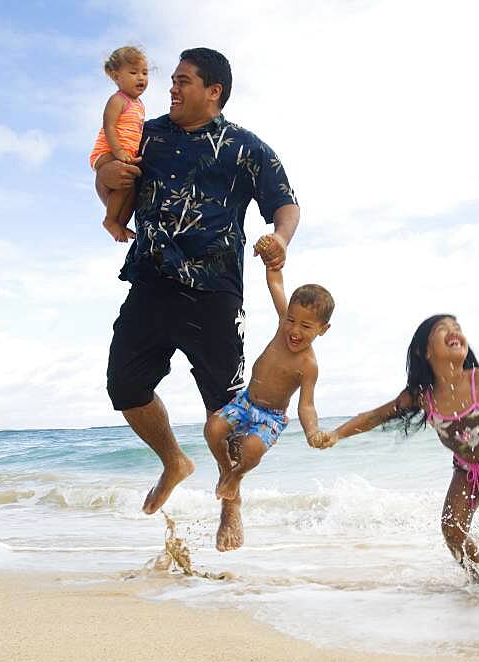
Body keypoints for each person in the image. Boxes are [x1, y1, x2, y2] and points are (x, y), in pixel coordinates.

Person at [99, 48, 301, 547]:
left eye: (183, 80)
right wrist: (105, 179)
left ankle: (230, 502)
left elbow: (286, 205)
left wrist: (280, 239)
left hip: (214, 293)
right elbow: (110, 181)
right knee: (124, 387)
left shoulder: (245, 147)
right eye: (171, 79)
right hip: (149, 279)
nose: (171, 87)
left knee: (226, 409)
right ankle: (174, 460)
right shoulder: (149, 134)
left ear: (213, 91)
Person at [311, 315, 479, 592]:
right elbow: (375, 416)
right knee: (452, 529)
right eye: (443, 329)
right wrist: (337, 434)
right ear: (424, 351)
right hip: (465, 468)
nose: (454, 332)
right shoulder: (422, 395)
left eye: (457, 328)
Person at [205, 250, 333, 550]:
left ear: (322, 330)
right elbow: (275, 282)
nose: (295, 330)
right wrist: (270, 256)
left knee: (250, 449)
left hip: (271, 417)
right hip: (245, 401)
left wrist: (312, 432)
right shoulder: (282, 326)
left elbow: (307, 405)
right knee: (212, 429)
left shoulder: (308, 365)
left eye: (306, 326)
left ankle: (236, 475)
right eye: (291, 320)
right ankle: (226, 469)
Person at [90, 46, 149, 242]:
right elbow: (109, 126)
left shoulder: (139, 104)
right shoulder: (117, 100)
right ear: (117, 77)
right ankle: (110, 220)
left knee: (128, 186)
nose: (140, 77)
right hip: (106, 151)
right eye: (133, 73)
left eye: (144, 72)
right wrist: (118, 151)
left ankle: (119, 223)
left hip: (124, 154)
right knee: (124, 180)